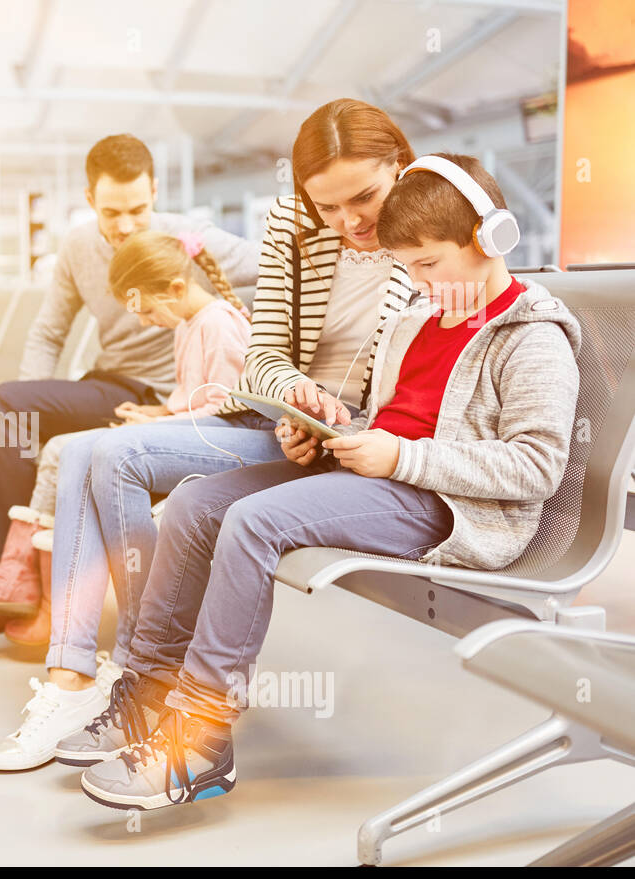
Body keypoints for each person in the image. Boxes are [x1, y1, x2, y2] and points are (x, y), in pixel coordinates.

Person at [75, 153, 581, 810]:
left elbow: (536, 467)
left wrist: (399, 458)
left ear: (490, 238)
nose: (420, 283)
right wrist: (326, 436)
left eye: (429, 264)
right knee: (195, 502)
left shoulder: (531, 336)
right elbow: (392, 418)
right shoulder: (417, 322)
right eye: (408, 267)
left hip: (448, 504)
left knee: (254, 521)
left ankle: (199, 742)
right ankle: (148, 694)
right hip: (380, 476)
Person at [0, 98, 419, 770]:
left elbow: (424, 382)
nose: (348, 222)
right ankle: (72, 678)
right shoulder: (293, 226)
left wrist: (340, 422)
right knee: (80, 451)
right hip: (282, 422)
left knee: (113, 455)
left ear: (401, 165)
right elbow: (265, 355)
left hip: (352, 439)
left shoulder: (428, 236)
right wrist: (293, 396)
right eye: (327, 205)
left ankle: (137, 668)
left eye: (363, 198)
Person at [0, 134, 260, 638]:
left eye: (138, 209)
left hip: (158, 397)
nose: (126, 225)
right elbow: (49, 331)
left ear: (155, 192)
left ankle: (19, 582)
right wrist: (26, 403)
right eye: (112, 212)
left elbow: (269, 263)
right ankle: (17, 574)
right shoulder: (78, 246)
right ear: (90, 200)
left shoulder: (185, 239)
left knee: (6, 413)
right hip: (107, 381)